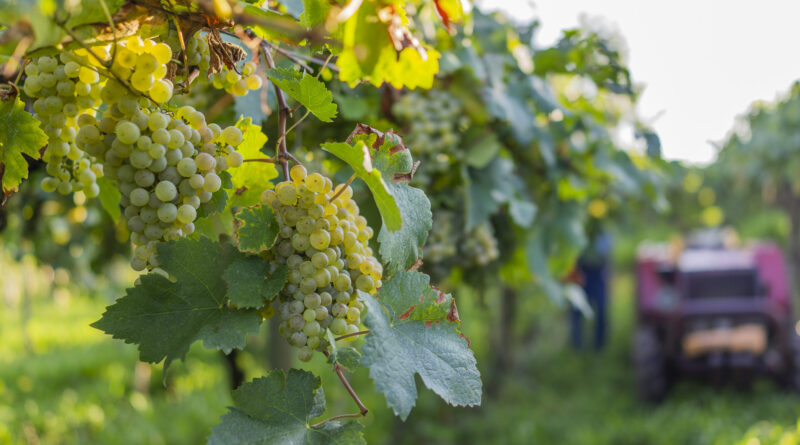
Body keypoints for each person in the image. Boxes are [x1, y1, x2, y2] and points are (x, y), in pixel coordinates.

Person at [570, 229, 612, 350]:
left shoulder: (600, 226)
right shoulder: (579, 226)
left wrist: (608, 274)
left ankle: (599, 346)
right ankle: (576, 347)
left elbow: (607, 254)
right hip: (581, 270)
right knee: (576, 310)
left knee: (601, 309)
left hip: (598, 272)